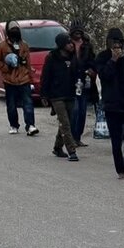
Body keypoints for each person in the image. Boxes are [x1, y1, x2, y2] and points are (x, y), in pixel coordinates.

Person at [95, 28, 124, 179]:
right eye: (113, 43)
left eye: (119, 43)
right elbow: (104, 76)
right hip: (112, 105)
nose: (117, 46)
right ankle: (120, 170)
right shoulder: (102, 57)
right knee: (116, 141)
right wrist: (113, 60)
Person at [0, 20, 38, 136]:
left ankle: (30, 125)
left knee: (28, 103)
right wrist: (6, 68)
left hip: (24, 79)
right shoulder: (2, 45)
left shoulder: (24, 45)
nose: (15, 31)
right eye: (12, 29)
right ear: (8, 31)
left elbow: (28, 63)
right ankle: (14, 125)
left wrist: (31, 77)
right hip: (10, 80)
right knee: (11, 105)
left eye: (16, 29)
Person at [39, 32, 80, 161]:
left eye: (71, 43)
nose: (71, 45)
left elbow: (77, 73)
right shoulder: (52, 57)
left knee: (67, 122)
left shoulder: (73, 57)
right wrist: (44, 95)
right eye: (68, 43)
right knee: (65, 123)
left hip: (70, 94)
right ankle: (72, 151)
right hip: (56, 96)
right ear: (62, 45)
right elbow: (45, 77)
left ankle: (57, 147)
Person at [68, 23, 97, 147]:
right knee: (74, 111)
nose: (78, 33)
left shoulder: (87, 45)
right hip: (71, 82)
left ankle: (78, 138)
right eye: (76, 31)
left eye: (80, 31)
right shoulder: (67, 44)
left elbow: (92, 61)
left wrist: (91, 69)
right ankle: (71, 137)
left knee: (82, 111)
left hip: (84, 81)